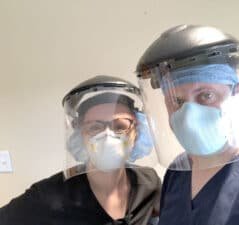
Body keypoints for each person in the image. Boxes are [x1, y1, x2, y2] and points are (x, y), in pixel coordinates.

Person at [135, 25, 239, 225]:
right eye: (177, 101)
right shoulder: (177, 172)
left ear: (238, 93)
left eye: (206, 95)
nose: (189, 116)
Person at [0, 75, 161, 225]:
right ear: (80, 136)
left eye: (120, 126)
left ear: (137, 132)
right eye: (95, 128)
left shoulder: (149, 183)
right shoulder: (49, 194)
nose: (107, 136)